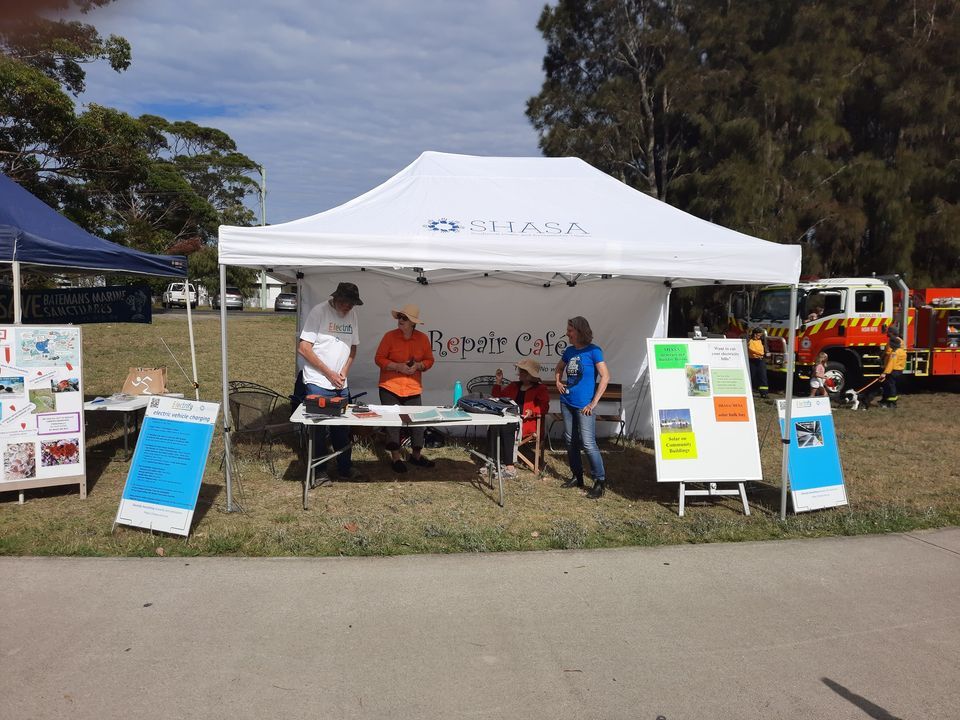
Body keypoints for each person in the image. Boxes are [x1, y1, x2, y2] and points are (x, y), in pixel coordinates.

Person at [297, 282, 362, 480]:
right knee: (318, 428)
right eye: (346, 303)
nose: (349, 308)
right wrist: (328, 373)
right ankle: (320, 470)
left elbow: (353, 347)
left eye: (352, 304)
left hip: (340, 383)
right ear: (336, 298)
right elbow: (304, 348)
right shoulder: (319, 312)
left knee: (342, 427)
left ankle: (345, 467)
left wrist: (343, 371)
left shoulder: (352, 314)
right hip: (318, 381)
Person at [374, 303, 436, 473]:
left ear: (413, 323)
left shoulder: (422, 339)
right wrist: (397, 366)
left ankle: (416, 456)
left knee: (417, 423)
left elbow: (430, 360)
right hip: (390, 387)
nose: (400, 320)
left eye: (404, 318)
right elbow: (379, 358)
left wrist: (419, 366)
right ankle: (396, 458)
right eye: (400, 317)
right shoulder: (389, 337)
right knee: (393, 423)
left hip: (413, 387)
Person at [554, 316, 609, 499]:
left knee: (588, 443)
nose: (567, 333)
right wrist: (558, 381)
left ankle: (599, 481)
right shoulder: (569, 351)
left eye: (570, 330)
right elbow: (559, 367)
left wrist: (593, 403)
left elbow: (605, 377)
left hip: (584, 406)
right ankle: (577, 477)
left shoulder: (594, 351)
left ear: (579, 331)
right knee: (570, 441)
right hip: (567, 402)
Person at [480, 358, 550, 480]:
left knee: (507, 426)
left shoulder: (540, 389)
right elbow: (497, 397)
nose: (519, 373)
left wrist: (532, 412)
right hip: (511, 418)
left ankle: (510, 468)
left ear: (530, 375)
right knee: (494, 424)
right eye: (520, 371)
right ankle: (491, 461)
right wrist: (498, 381)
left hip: (528, 423)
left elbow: (544, 407)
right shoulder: (514, 386)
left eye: (522, 371)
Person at [879, 335, 907, 409]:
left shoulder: (894, 353)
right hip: (899, 371)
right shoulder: (903, 352)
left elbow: (891, 364)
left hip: (893, 371)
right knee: (892, 385)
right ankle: (889, 402)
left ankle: (892, 403)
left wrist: (884, 373)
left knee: (890, 386)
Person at [747, 328, 769, 399]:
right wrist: (760, 353)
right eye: (758, 335)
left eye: (760, 335)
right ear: (754, 334)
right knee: (751, 376)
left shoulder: (761, 341)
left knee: (763, 376)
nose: (759, 336)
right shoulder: (750, 341)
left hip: (760, 360)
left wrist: (763, 353)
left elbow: (764, 349)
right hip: (752, 360)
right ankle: (750, 392)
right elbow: (750, 349)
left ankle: (764, 393)